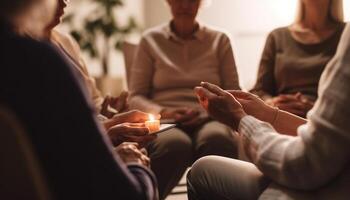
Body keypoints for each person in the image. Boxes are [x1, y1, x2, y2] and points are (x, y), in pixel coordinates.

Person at [0, 0, 158, 199]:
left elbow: (49, 143)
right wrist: (134, 165)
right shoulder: (38, 62)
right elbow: (129, 194)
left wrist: (106, 129)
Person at [187, 22, 350, 200]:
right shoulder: (278, 36)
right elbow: (334, 138)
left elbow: (304, 163)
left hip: (327, 189)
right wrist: (269, 114)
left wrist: (241, 121)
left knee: (201, 171)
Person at [129, 0, 241, 198]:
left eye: (191, 0)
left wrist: (211, 109)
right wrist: (165, 112)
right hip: (166, 119)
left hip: (211, 116)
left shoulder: (220, 40)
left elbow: (233, 91)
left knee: (218, 141)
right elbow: (136, 95)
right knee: (173, 146)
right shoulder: (150, 40)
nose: (184, 5)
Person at [250, 0, 345, 117]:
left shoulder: (346, 34)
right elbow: (259, 91)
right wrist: (272, 103)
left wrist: (315, 108)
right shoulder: (277, 36)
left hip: (326, 121)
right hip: (280, 118)